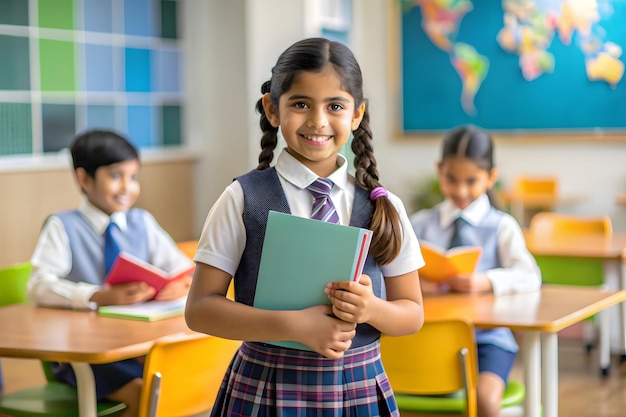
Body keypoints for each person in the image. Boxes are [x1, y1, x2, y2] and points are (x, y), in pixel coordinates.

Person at [185, 37, 425, 416]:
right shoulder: (241, 198)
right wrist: (292, 325)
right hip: (265, 385)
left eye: (335, 106)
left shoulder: (384, 206)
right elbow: (199, 309)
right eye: (300, 104)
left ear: (357, 114)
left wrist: (371, 308)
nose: (317, 121)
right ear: (272, 108)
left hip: (356, 386)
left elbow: (412, 314)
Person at [28, 129, 194, 417]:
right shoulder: (62, 226)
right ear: (84, 179)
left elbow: (181, 268)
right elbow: (39, 286)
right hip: (85, 353)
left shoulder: (142, 222)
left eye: (133, 177)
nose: (127, 188)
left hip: (139, 345)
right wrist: (98, 295)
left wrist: (180, 284)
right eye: (116, 176)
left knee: (174, 388)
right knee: (145, 395)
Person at [410, 125, 541, 417]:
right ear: (439, 170)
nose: (460, 190)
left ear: (491, 178)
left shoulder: (501, 226)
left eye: (471, 181)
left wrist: (485, 281)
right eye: (451, 179)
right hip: (428, 335)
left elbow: (530, 275)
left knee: (485, 400)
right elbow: (391, 271)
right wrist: (415, 283)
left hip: (488, 339)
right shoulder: (419, 224)